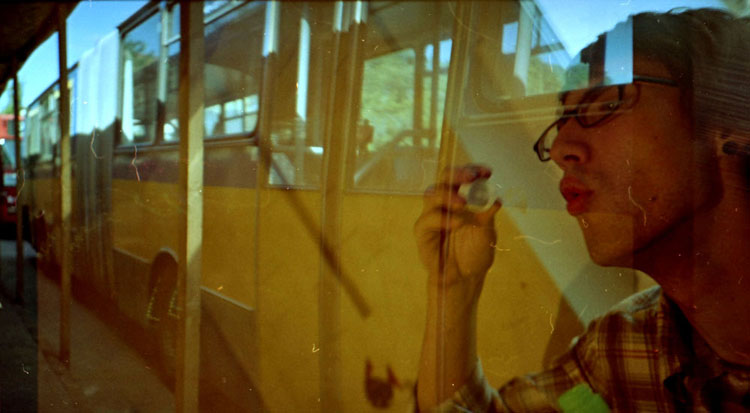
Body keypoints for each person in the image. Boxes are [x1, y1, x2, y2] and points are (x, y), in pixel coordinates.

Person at [414, 8, 750, 412]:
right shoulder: (622, 348)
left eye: (606, 103)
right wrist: (453, 291)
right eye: (562, 120)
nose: (559, 150)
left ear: (729, 120)